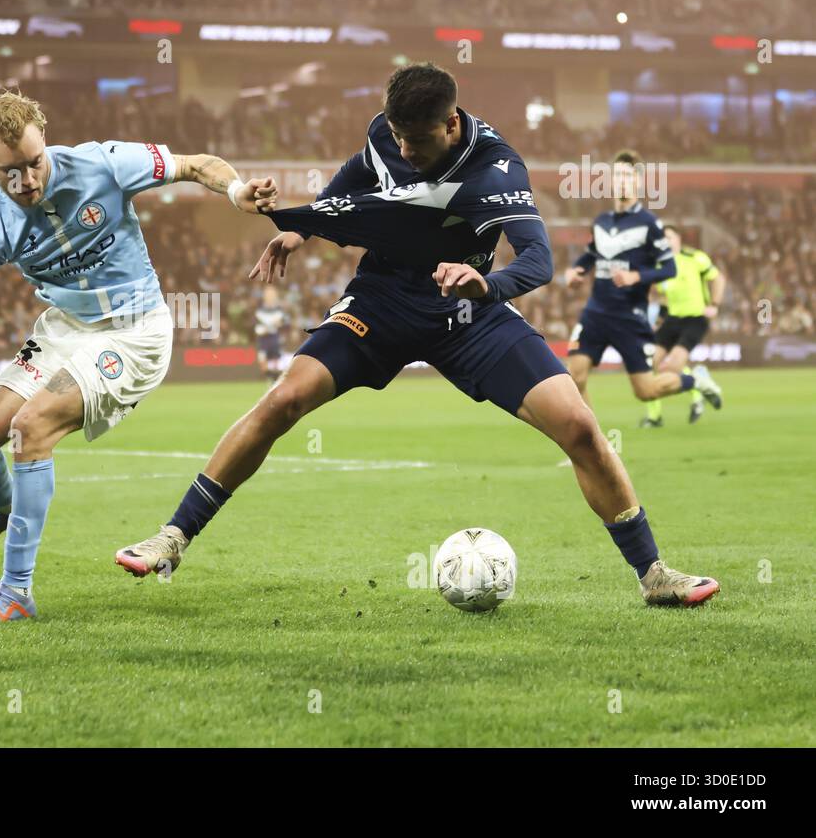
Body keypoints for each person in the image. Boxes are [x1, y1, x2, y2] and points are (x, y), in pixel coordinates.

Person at [114, 63, 719, 608]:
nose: (404, 147)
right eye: (398, 135)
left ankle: (654, 575)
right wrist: (304, 230)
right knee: (284, 398)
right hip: (380, 302)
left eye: (418, 139)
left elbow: (538, 260)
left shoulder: (495, 169)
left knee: (581, 425)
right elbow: (358, 173)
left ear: (451, 124)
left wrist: (485, 287)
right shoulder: (388, 131)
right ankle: (173, 536)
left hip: (467, 313)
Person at [0, 90, 274, 622]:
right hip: (64, 330)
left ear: (45, 141)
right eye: (10, 171)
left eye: (35, 162)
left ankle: (15, 593)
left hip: (133, 333)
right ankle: (7, 507)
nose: (27, 180)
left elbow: (197, 165)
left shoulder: (105, 163)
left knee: (30, 429)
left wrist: (236, 190)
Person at [563, 151, 721, 421]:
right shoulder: (602, 222)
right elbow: (591, 254)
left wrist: (637, 277)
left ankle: (695, 381)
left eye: (628, 176)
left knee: (646, 391)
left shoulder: (649, 224)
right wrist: (577, 270)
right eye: (618, 176)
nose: (622, 181)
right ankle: (593, 448)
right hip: (595, 313)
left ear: (638, 182)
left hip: (629, 317)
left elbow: (668, 268)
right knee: (573, 378)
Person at [643, 226, 725, 425]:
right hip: (672, 320)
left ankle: (698, 387)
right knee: (647, 365)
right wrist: (658, 322)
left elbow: (719, 279)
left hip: (695, 319)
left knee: (672, 367)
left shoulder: (696, 258)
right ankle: (656, 417)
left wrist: (714, 304)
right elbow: (664, 298)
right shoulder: (662, 267)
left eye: (669, 237)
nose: (666, 241)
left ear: (679, 239)